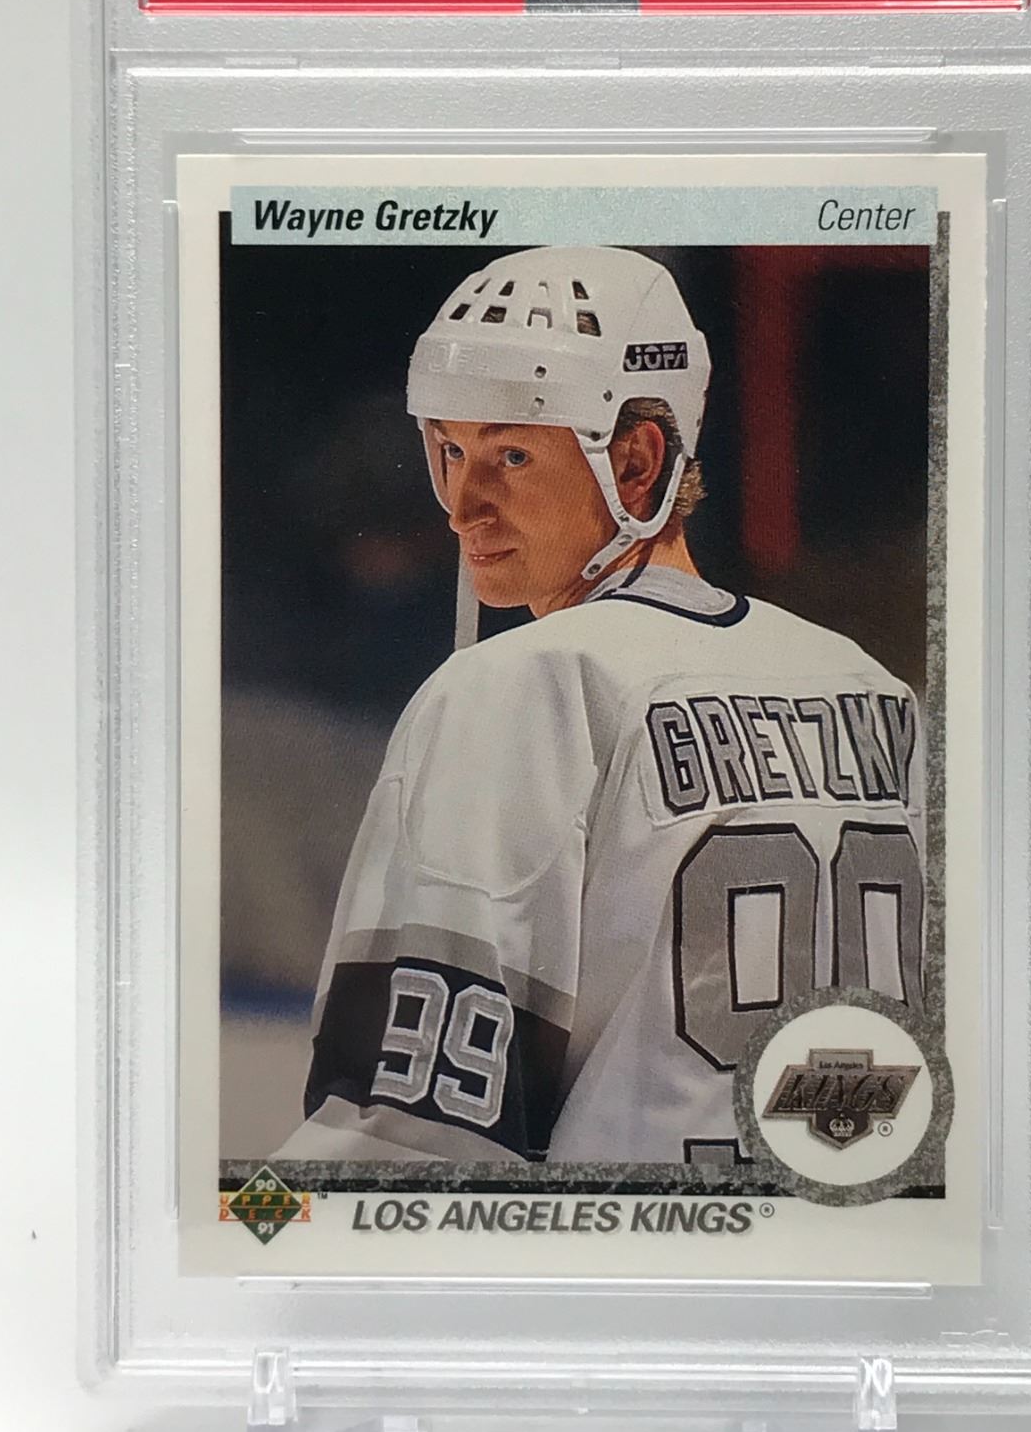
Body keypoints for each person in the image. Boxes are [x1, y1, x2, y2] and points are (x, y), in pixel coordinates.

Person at [280, 245, 925, 1166]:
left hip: (631, 1247)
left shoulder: (525, 684)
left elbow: (414, 1137)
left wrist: (244, 1223)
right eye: (451, 450)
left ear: (636, 462)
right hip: (848, 1228)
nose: (463, 507)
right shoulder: (873, 688)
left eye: (511, 455)